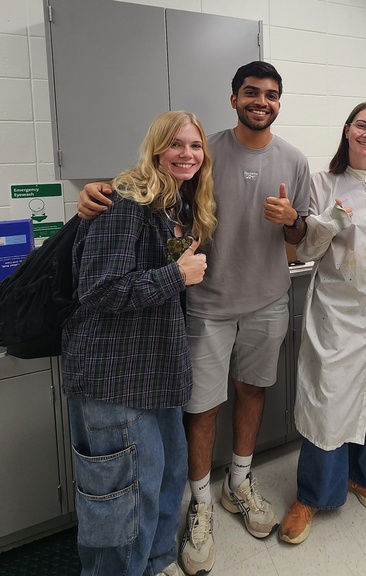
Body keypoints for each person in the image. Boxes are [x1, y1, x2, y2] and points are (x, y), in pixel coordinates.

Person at [77, 61, 311, 575]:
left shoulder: (293, 160)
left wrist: (292, 221)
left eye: (272, 94)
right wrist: (95, 194)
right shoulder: (205, 157)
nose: (262, 101)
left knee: (253, 390)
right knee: (201, 407)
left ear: (279, 101)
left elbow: (302, 237)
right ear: (233, 99)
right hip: (205, 306)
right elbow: (147, 190)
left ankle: (239, 485)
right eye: (252, 92)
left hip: (269, 300)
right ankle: (200, 504)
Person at [62, 110, 216, 576]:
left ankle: (158, 561)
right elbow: (98, 290)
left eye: (194, 145)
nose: (187, 154)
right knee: (122, 505)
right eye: (176, 145)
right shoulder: (126, 201)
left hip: (155, 375)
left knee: (164, 480)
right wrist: (176, 275)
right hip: (113, 379)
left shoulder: (176, 206)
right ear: (155, 149)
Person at [277, 102, 366, 545]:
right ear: (347, 130)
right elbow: (306, 251)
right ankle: (311, 495)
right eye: (362, 126)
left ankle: (361, 473)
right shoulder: (322, 182)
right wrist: (331, 221)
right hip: (338, 314)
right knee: (328, 403)